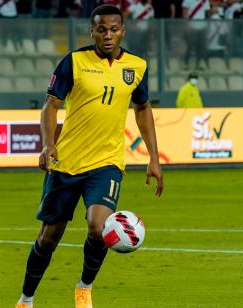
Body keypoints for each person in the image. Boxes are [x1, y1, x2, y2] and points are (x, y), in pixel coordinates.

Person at [15, 5, 163, 308]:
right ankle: (26, 299)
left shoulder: (137, 66)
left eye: (114, 29)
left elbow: (143, 109)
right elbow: (50, 105)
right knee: (48, 238)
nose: (107, 35)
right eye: (101, 29)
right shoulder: (74, 62)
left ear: (123, 30)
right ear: (91, 31)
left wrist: (154, 157)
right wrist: (47, 144)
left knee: (100, 227)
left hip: (106, 164)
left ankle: (84, 288)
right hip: (66, 163)